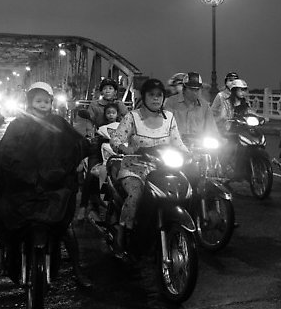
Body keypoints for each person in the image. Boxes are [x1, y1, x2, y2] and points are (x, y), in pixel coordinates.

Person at [0, 82, 91, 288]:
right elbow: (6, 152)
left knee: (66, 226)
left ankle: (77, 269)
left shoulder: (59, 122)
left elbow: (76, 143)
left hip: (53, 184)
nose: (42, 104)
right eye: (38, 100)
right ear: (30, 102)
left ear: (51, 102)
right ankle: (3, 253)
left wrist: (79, 157)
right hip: (23, 184)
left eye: (46, 101)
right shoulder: (18, 124)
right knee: (3, 208)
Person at [110, 78, 188, 254]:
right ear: (143, 97)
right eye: (151, 95)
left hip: (162, 169)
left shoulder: (169, 118)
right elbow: (116, 139)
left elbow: (178, 143)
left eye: (159, 95)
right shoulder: (133, 117)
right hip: (134, 168)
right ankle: (122, 234)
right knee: (136, 195)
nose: (155, 99)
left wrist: (190, 155)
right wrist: (125, 148)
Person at [77, 103, 121, 221]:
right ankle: (83, 206)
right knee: (91, 174)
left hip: (118, 150)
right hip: (99, 149)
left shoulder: (123, 124)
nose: (111, 115)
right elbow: (89, 127)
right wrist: (92, 135)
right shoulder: (99, 123)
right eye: (108, 113)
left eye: (113, 112)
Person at [165, 72, 219, 138]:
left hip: (200, 145)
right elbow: (166, 125)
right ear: (184, 89)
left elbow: (212, 129)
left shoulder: (205, 106)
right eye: (191, 89)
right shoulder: (172, 102)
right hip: (177, 143)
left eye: (197, 89)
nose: (194, 92)